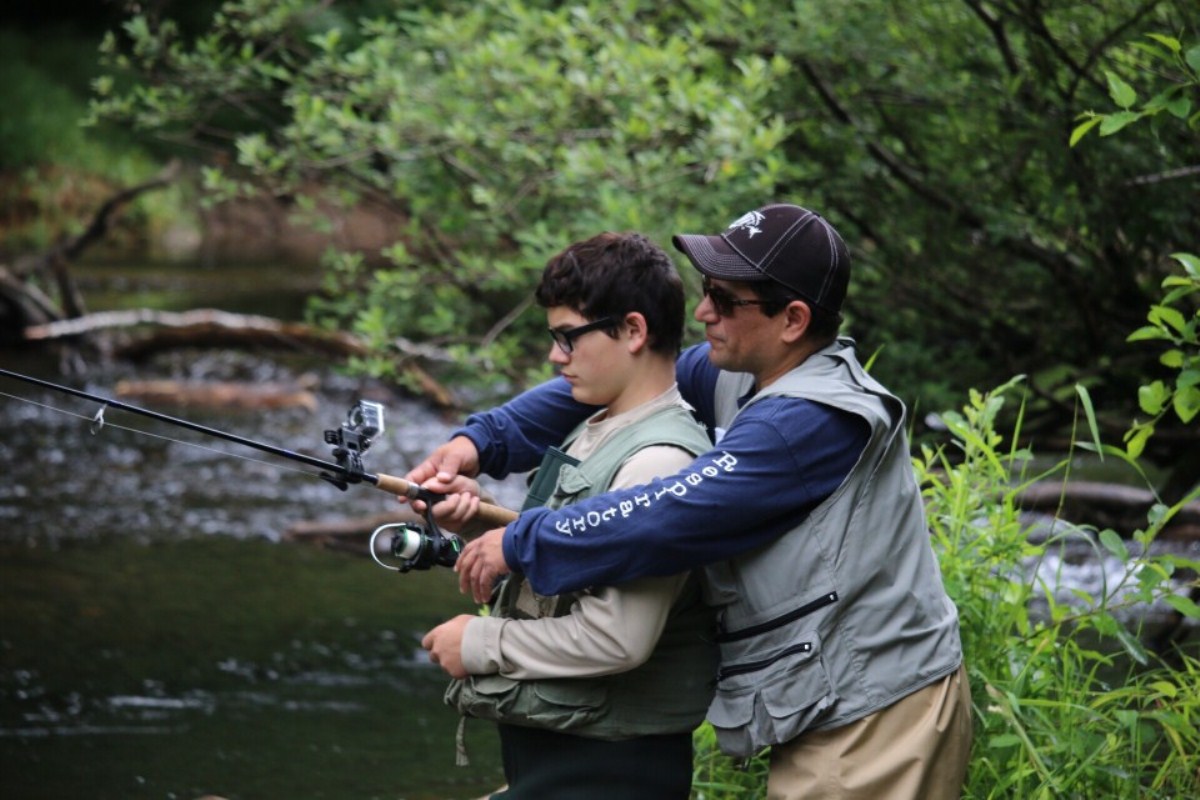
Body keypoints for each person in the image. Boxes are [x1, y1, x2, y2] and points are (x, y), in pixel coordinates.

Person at [409, 203, 973, 799]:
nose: (703, 311)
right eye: (707, 290)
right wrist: (479, 443)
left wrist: (522, 543)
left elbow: (666, 515)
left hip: (878, 711)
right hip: (835, 698)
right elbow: (629, 378)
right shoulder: (748, 367)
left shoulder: (808, 419)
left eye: (726, 301)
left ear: (792, 319)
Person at [419, 232, 718, 799]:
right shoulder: (597, 425)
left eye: (568, 337)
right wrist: (478, 527)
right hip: (566, 758)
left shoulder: (658, 460)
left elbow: (619, 638)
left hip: (611, 770)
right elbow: (569, 552)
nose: (556, 356)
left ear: (633, 330)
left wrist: (481, 642)